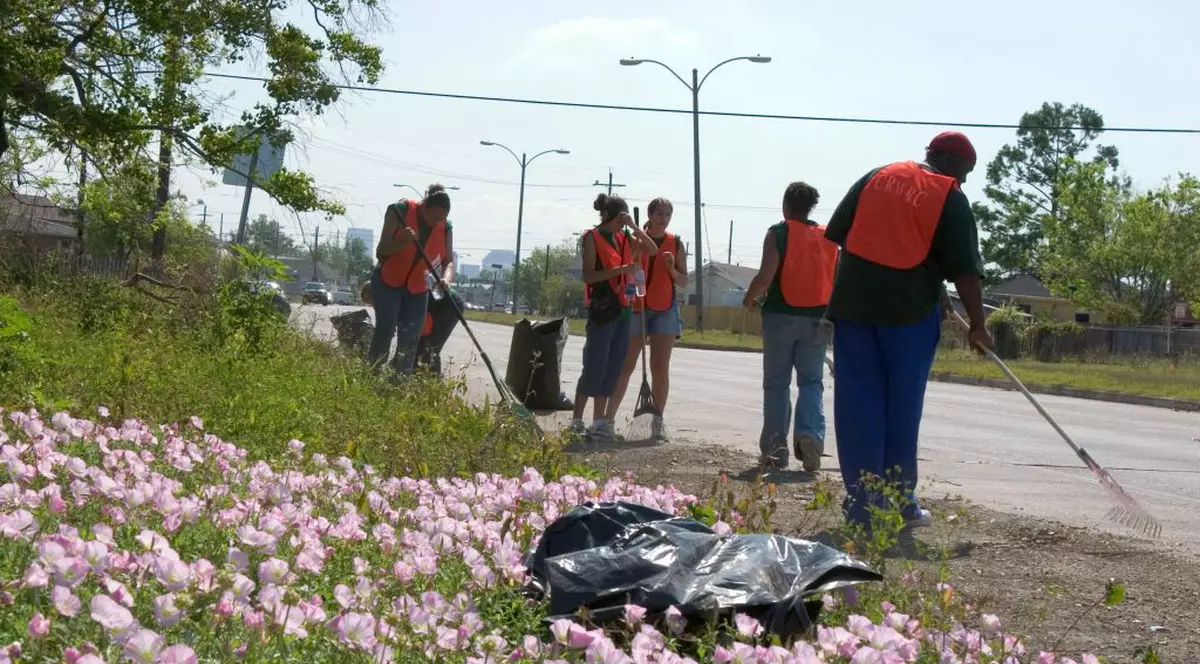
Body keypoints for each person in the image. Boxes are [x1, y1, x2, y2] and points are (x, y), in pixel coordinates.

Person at [823, 131, 994, 533]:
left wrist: (934, 288)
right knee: (900, 409)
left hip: (854, 309)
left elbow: (844, 237)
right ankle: (899, 505)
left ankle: (863, 507)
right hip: (907, 318)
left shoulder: (876, 177)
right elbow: (966, 269)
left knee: (858, 407)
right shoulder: (948, 196)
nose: (965, 180)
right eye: (966, 171)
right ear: (952, 162)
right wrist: (979, 325)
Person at [742, 182, 839, 472]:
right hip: (817, 318)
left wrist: (749, 299)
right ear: (811, 207)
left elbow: (766, 273)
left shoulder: (779, 233)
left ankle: (775, 451)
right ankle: (810, 435)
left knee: (777, 385)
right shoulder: (828, 237)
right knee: (811, 382)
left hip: (780, 316)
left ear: (785, 205)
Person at [570, 193, 657, 442]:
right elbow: (589, 275)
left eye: (624, 220)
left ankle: (599, 422)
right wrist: (622, 269)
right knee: (595, 364)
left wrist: (634, 227)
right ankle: (577, 419)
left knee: (613, 366)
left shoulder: (625, 236)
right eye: (619, 219)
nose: (622, 225)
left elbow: (652, 249)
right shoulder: (592, 237)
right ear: (607, 216)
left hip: (625, 308)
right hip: (602, 308)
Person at [606, 197, 688, 442]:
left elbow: (683, 282)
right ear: (650, 216)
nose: (664, 218)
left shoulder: (676, 243)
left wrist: (671, 268)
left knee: (659, 368)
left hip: (665, 309)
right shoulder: (635, 239)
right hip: (637, 308)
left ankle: (657, 424)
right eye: (660, 213)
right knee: (626, 365)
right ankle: (608, 421)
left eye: (668, 214)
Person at [367, 184, 455, 377]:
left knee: (412, 335)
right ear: (424, 207)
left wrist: (446, 279)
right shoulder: (400, 211)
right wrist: (402, 241)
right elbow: (381, 251)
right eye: (434, 217)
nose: (436, 222)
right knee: (386, 329)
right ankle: (371, 373)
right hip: (388, 281)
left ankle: (399, 379)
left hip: (418, 288)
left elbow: (448, 261)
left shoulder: (445, 228)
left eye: (441, 218)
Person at [414, 288, 465, 376]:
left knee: (430, 348)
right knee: (418, 346)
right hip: (430, 302)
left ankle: (431, 381)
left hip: (449, 303)